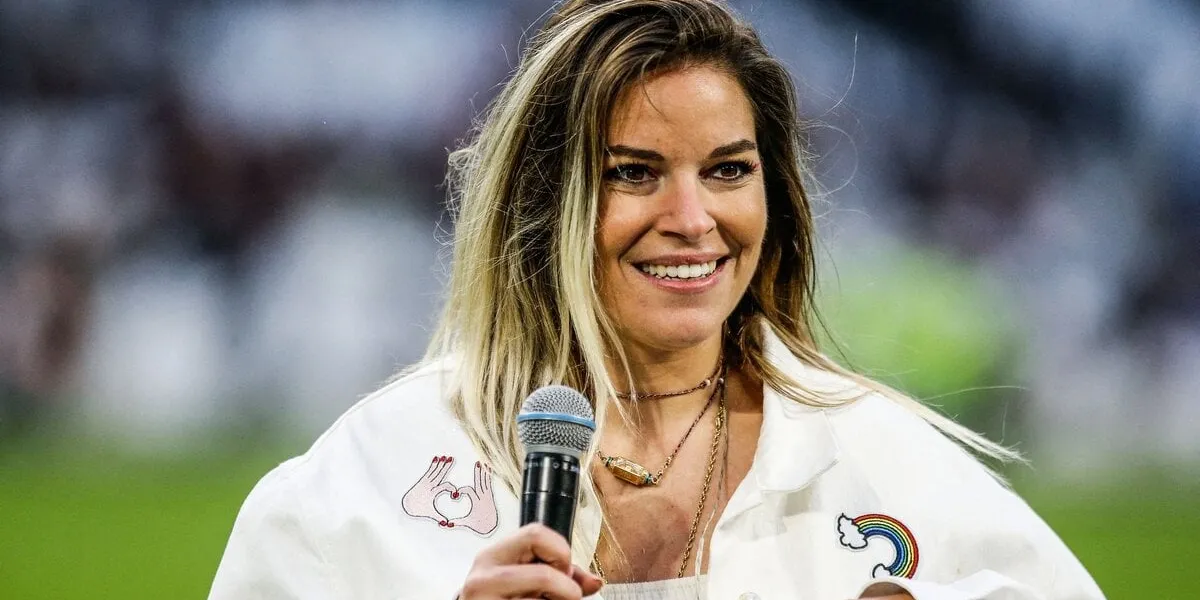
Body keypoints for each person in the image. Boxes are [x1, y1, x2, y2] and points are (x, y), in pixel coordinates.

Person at [209, 1, 1105, 598]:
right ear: (543, 200)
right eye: (633, 173)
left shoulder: (885, 462)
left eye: (728, 171)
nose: (691, 219)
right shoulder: (368, 480)